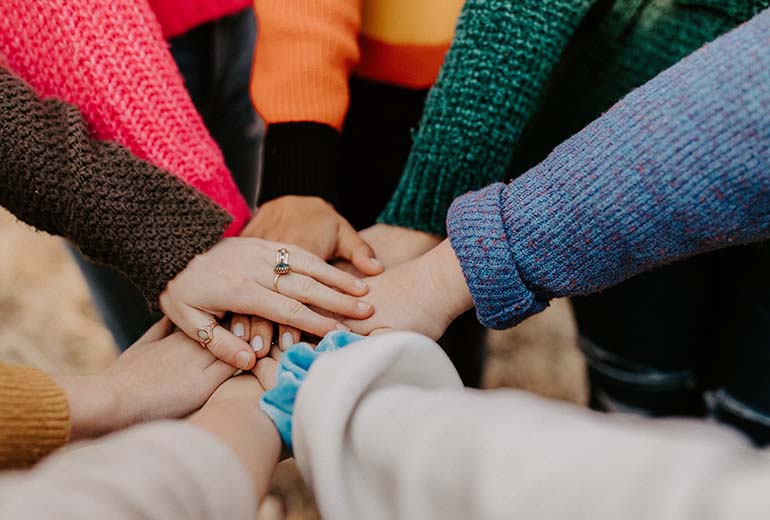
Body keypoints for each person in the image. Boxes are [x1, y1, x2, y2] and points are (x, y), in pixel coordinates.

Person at [344, 4, 770, 444]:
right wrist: (424, 216)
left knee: (750, 439)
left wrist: (451, 266)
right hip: (618, 193)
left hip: (608, 188)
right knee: (635, 413)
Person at [0, 64, 372, 373]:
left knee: (244, 301)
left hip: (237, 25)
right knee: (182, 367)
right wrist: (160, 231)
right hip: (86, 88)